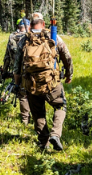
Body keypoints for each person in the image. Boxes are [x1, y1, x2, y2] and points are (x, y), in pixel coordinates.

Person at [13, 12, 73, 151]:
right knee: (60, 106)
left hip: (31, 83)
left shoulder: (24, 40)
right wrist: (69, 74)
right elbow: (67, 57)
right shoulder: (52, 36)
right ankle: (55, 134)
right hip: (51, 82)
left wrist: (18, 85)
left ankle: (43, 144)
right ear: (43, 23)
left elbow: (17, 67)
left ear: (30, 25)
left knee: (38, 114)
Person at [1, 17, 31, 125]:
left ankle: (25, 120)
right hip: (32, 69)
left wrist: (4, 71)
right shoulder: (31, 36)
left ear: (18, 26)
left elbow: (7, 57)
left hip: (17, 70)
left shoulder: (12, 37)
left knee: (22, 95)